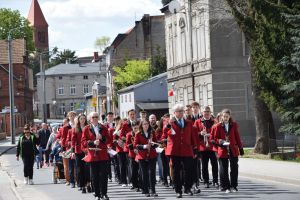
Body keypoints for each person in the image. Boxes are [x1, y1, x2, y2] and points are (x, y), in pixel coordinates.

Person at [164, 104, 198, 198]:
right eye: (178, 111)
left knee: (189, 170)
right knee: (176, 171)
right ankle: (178, 190)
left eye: (182, 111)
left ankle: (187, 188)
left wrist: (195, 149)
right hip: (175, 150)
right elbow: (164, 133)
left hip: (187, 150)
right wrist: (168, 125)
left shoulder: (188, 122)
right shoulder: (170, 122)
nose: (180, 113)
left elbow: (192, 136)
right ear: (174, 113)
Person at [81, 112, 111, 200]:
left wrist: (102, 138)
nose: (95, 119)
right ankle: (97, 194)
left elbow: (109, 140)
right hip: (93, 156)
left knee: (104, 176)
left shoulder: (104, 128)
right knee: (94, 176)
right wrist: (92, 142)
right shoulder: (86, 129)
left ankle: (104, 193)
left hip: (103, 155)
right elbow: (83, 142)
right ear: (90, 119)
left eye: (96, 117)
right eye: (93, 117)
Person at [214, 109, 244, 193]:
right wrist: (221, 141)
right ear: (221, 117)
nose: (225, 118)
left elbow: (237, 137)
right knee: (224, 169)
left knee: (234, 168)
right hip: (223, 150)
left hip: (233, 149)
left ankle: (233, 186)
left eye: (227, 116)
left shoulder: (234, 125)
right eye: (224, 116)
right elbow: (214, 139)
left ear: (229, 116)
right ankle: (225, 186)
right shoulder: (218, 126)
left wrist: (240, 148)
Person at [194, 106, 219, 188]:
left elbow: (218, 133)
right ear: (202, 113)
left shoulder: (215, 121)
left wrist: (210, 135)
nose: (207, 113)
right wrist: (200, 133)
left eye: (208, 111)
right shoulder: (198, 122)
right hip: (203, 147)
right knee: (204, 166)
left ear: (210, 112)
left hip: (212, 146)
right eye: (205, 111)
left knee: (214, 165)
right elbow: (193, 134)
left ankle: (215, 181)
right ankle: (206, 181)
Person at [134, 119, 158, 197]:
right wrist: (144, 146)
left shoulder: (152, 132)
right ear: (141, 125)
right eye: (144, 124)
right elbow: (136, 145)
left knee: (152, 173)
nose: (146, 125)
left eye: (147, 124)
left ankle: (153, 190)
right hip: (142, 156)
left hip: (152, 155)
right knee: (144, 174)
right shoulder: (138, 134)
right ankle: (146, 190)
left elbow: (156, 143)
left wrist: (153, 144)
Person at [71, 113, 88, 193]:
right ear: (78, 120)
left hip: (86, 151)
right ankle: (81, 185)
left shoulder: (88, 128)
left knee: (86, 168)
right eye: (81, 119)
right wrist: (72, 152)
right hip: (78, 151)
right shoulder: (75, 129)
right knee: (79, 169)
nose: (82, 120)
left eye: (84, 119)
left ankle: (87, 184)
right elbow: (73, 141)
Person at [125, 122, 140, 191]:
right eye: (134, 128)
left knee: (140, 170)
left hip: (140, 154)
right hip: (133, 154)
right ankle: (134, 184)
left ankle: (141, 184)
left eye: (137, 128)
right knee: (134, 170)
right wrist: (132, 145)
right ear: (132, 128)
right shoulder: (129, 135)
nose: (136, 129)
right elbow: (127, 144)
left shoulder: (140, 134)